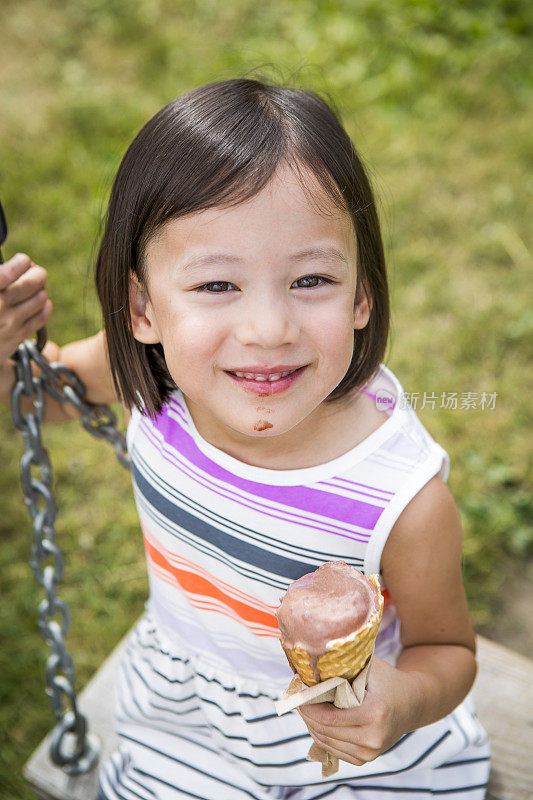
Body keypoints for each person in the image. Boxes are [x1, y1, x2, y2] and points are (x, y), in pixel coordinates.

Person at [0, 77, 490, 800]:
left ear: (362, 296)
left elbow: (444, 651)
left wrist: (401, 704)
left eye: (311, 279)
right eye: (216, 286)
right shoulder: (150, 375)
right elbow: (30, 401)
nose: (268, 330)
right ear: (142, 308)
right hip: (186, 720)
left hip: (349, 747)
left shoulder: (400, 499)